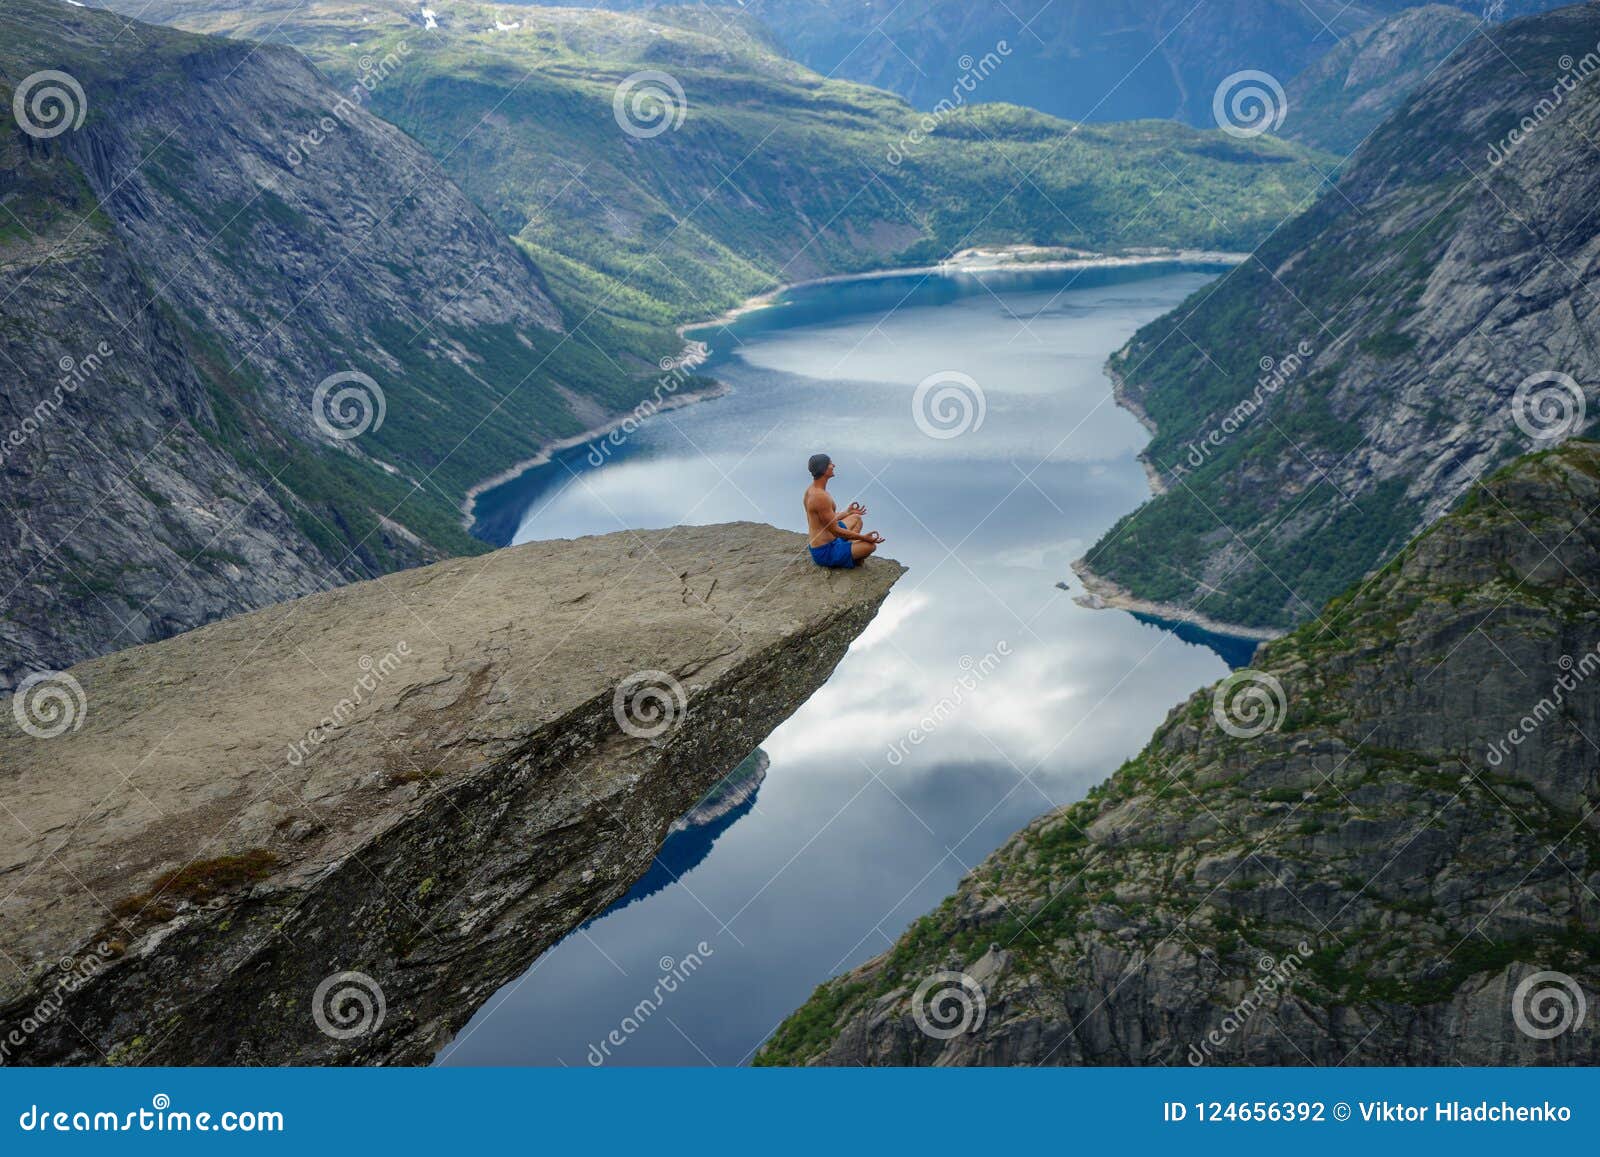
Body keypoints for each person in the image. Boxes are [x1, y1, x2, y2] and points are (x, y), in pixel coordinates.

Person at [803, 453, 883, 568]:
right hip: (826, 551)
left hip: (831, 539)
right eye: (830, 463)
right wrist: (864, 538)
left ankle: (850, 549)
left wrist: (848, 513)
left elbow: (827, 520)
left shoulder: (812, 490)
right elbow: (835, 530)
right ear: (824, 469)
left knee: (856, 518)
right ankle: (853, 556)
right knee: (870, 546)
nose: (833, 465)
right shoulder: (819, 497)